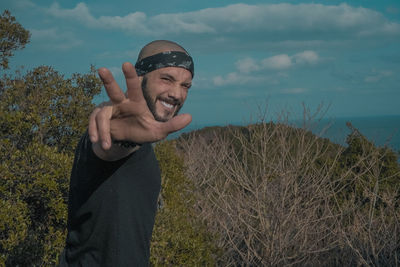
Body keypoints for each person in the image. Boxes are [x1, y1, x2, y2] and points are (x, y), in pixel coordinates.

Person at [59, 40, 194, 266]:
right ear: (140, 77)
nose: (177, 94)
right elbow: (107, 148)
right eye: (166, 79)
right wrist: (121, 135)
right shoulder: (104, 137)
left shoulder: (145, 146)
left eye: (185, 86)